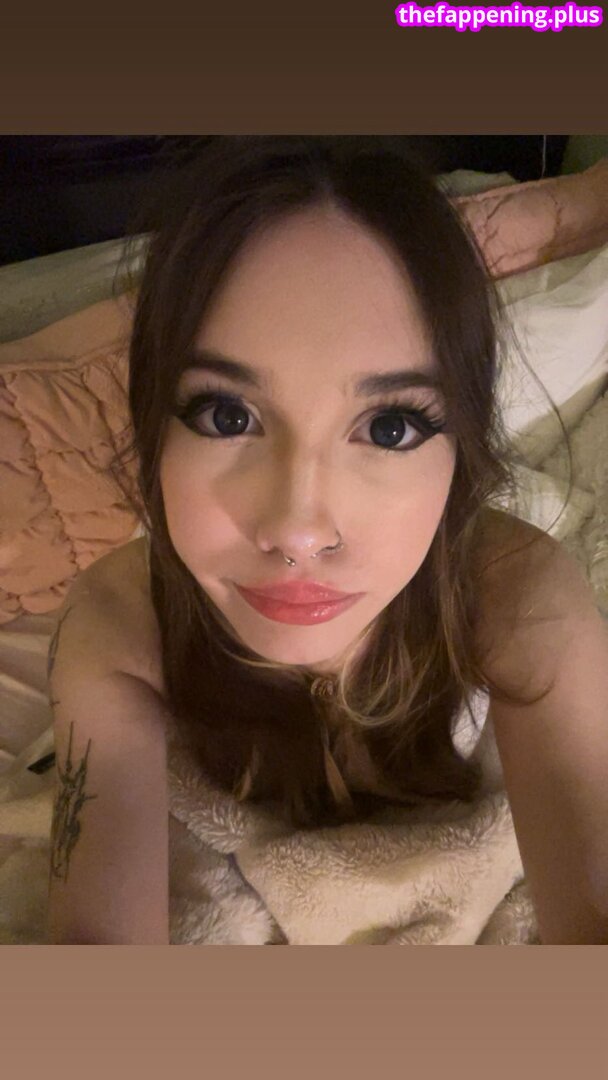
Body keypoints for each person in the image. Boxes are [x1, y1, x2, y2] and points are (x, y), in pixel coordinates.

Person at [46, 136, 608, 945]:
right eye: (226, 416)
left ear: (464, 454)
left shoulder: (522, 594)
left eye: (389, 427)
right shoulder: (118, 617)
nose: (299, 531)